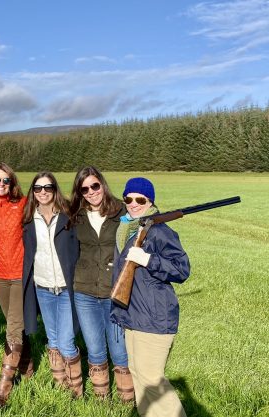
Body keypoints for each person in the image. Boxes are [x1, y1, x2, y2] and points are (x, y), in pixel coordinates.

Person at [110, 177, 190, 417]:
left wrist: (148, 259)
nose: (133, 203)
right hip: (133, 314)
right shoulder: (128, 228)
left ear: (150, 201)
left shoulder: (159, 231)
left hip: (154, 318)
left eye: (140, 199)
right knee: (138, 374)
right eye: (128, 198)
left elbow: (182, 269)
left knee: (152, 379)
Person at [67, 166, 134, 401]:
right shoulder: (76, 215)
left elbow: (144, 226)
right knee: (95, 348)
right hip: (83, 291)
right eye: (84, 189)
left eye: (94, 186)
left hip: (113, 291)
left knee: (119, 350)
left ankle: (127, 400)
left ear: (102, 184)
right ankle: (100, 399)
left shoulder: (122, 212)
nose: (91, 192)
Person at [22, 172, 82, 397]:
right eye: (38, 188)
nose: (43, 192)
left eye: (48, 187)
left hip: (67, 288)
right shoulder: (28, 220)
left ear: (55, 189)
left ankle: (76, 389)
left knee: (66, 341)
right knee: (53, 339)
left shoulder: (68, 217)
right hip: (43, 288)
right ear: (33, 192)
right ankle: (61, 384)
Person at [0, 162, 33, 406]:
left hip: (21, 274)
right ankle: (28, 367)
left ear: (12, 184)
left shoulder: (22, 204)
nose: (2, 184)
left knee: (13, 328)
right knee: (17, 324)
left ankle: (3, 391)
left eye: (6, 181)